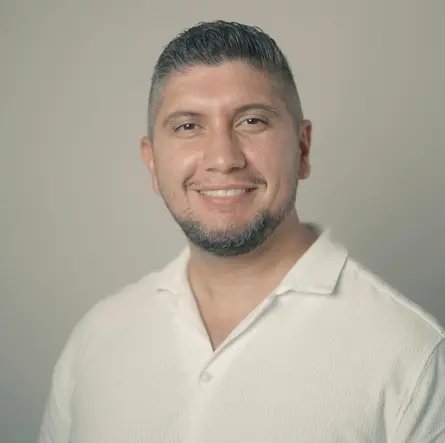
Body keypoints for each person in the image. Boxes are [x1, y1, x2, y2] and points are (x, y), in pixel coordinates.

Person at [39, 20, 445, 443]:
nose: (222, 158)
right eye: (188, 126)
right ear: (152, 162)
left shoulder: (411, 355)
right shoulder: (95, 341)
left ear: (302, 148)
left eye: (251, 121)